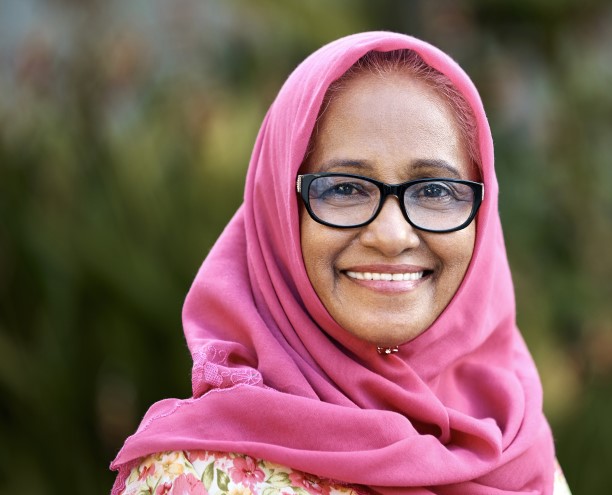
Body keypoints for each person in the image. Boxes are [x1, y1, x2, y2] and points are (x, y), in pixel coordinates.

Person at [110, 31, 571, 495]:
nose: (392, 236)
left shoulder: (514, 443)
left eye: (434, 190)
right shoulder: (198, 478)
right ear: (281, 212)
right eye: (345, 189)